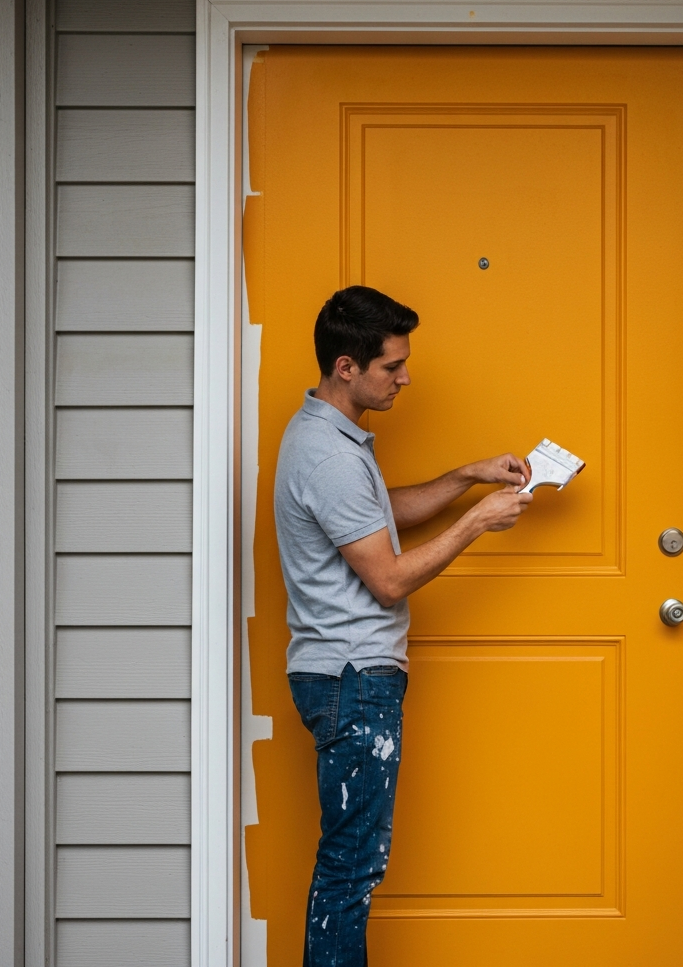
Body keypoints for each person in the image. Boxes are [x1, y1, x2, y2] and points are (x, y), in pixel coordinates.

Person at [273, 285, 533, 967]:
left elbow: (370, 513)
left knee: (350, 864)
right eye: (392, 365)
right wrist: (477, 523)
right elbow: (387, 577)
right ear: (346, 367)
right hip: (353, 679)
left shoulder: (326, 439)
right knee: (351, 871)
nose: (406, 376)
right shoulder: (328, 455)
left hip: (344, 674)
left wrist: (465, 479)